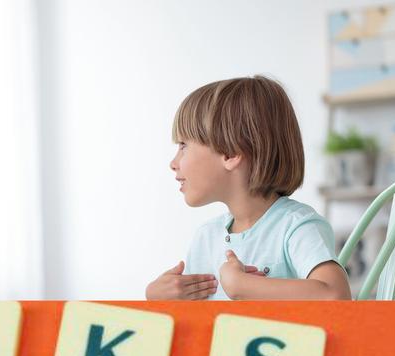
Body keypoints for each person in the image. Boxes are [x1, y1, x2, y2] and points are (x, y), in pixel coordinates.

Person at [146, 76, 351, 300]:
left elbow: (335, 295)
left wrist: (243, 285)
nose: (173, 163)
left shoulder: (295, 226)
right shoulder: (206, 237)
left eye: (184, 145)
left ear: (231, 154)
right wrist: (160, 298)